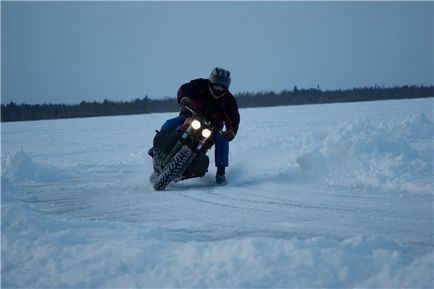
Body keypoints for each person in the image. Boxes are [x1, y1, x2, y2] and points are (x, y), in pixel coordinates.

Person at [160, 67, 240, 184]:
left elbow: (233, 116)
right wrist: (185, 99)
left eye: (221, 86)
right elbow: (184, 89)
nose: (218, 87)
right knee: (170, 123)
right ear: (212, 81)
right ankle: (159, 145)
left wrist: (231, 131)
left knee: (222, 141)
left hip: (213, 127)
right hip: (191, 115)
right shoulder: (200, 85)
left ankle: (221, 171)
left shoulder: (229, 100)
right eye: (216, 84)